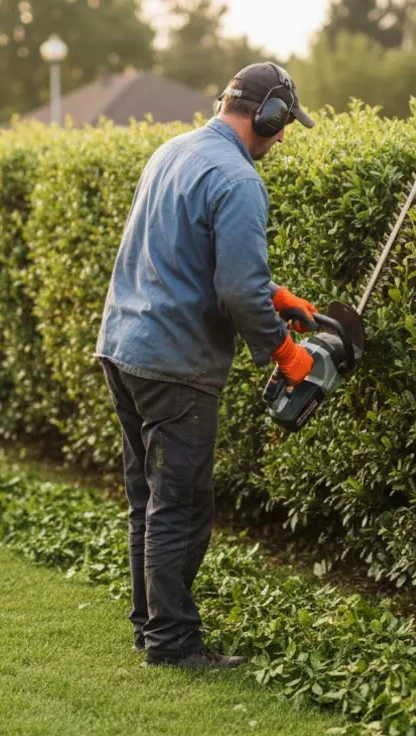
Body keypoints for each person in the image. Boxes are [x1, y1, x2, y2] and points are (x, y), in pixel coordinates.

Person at [94, 62, 319, 669]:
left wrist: (277, 296)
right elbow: (237, 292)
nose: (283, 136)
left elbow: (186, 256)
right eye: (283, 124)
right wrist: (285, 352)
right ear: (267, 116)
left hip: (124, 347)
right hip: (174, 363)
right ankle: (172, 644)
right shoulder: (239, 179)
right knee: (182, 505)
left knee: (148, 498)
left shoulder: (172, 152)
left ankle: (150, 626)